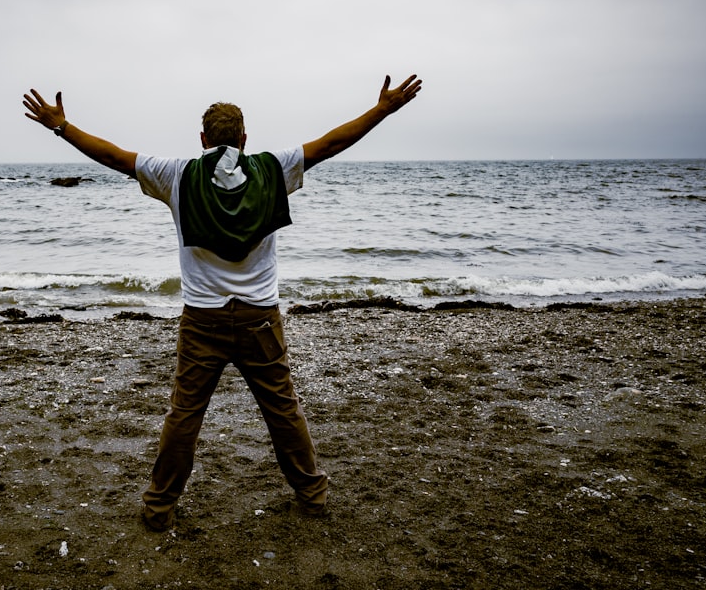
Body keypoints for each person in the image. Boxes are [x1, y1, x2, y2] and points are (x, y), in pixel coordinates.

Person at [22, 74, 422, 531]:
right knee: (282, 410)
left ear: (203, 139)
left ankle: (159, 508)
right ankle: (311, 494)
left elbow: (113, 157)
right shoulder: (274, 168)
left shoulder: (175, 175)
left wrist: (61, 127)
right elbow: (331, 144)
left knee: (185, 415)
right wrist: (383, 111)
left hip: (203, 320)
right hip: (260, 319)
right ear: (245, 139)